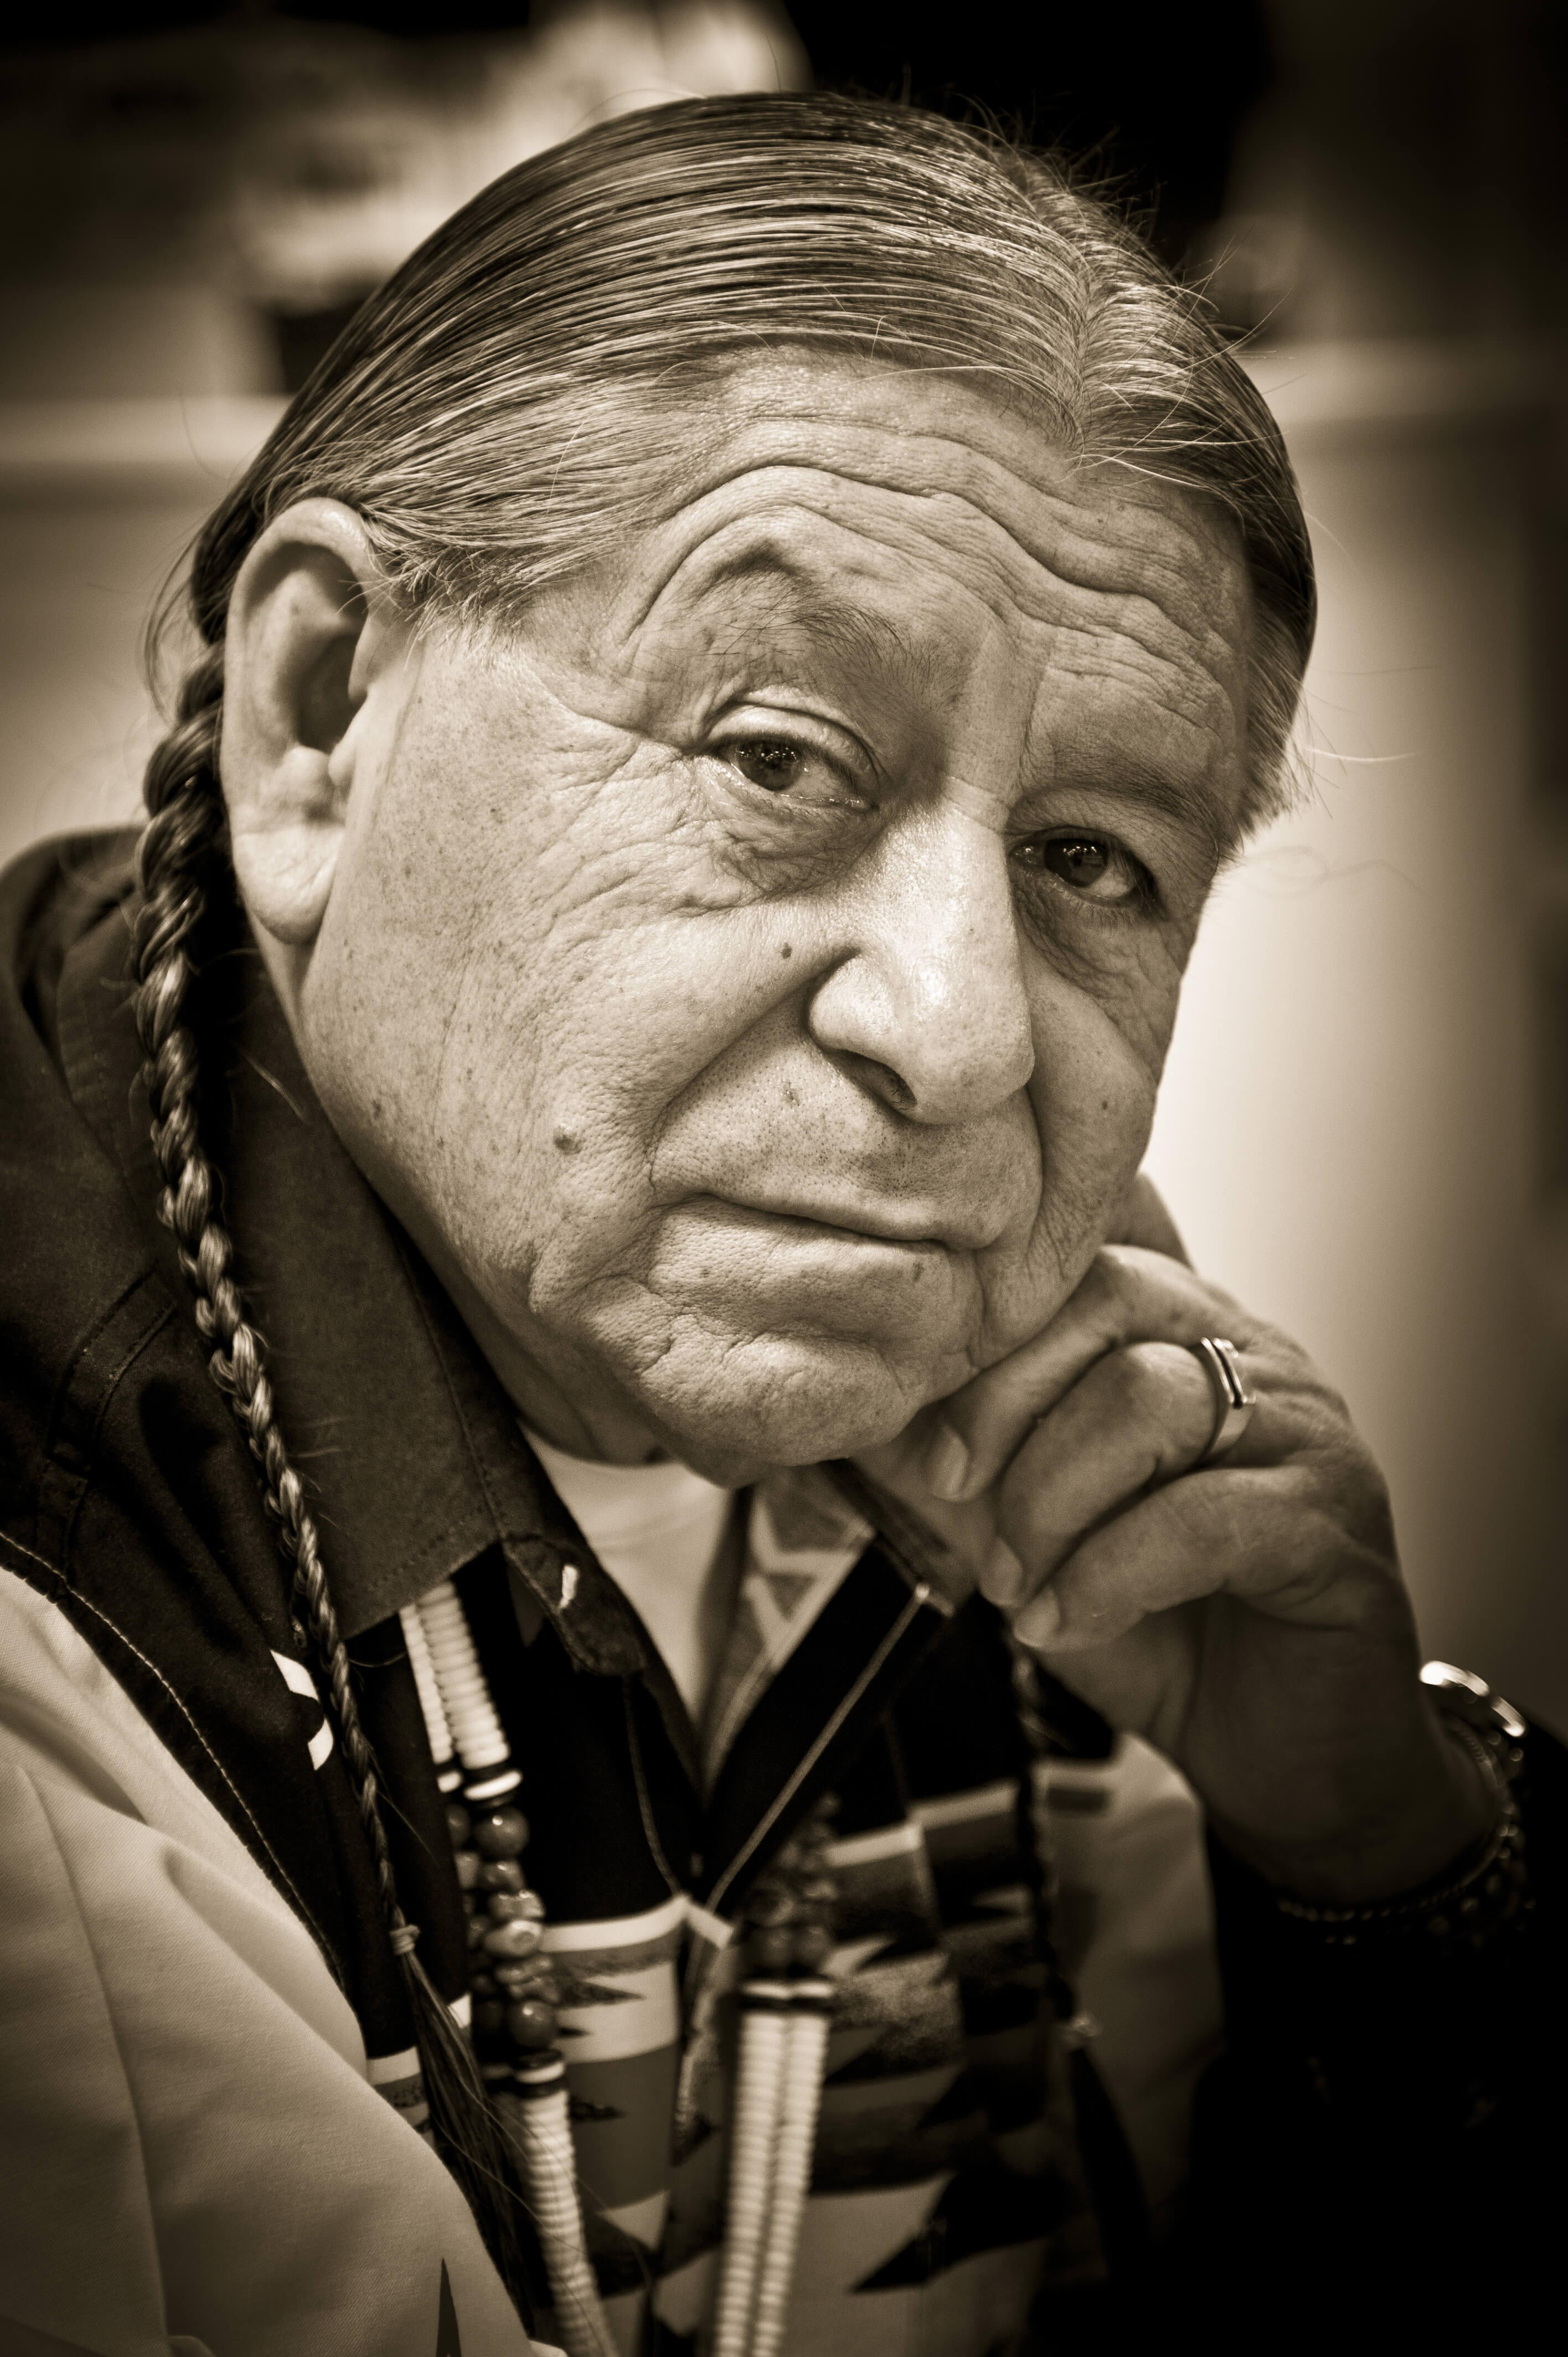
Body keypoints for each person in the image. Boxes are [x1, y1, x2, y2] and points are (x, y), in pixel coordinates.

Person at [0, 92, 1559, 2357]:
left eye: (1092, 861)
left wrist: (1379, 1861)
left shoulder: (1104, 1480)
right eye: (775, 753)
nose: (962, 1031)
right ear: (321, 711)